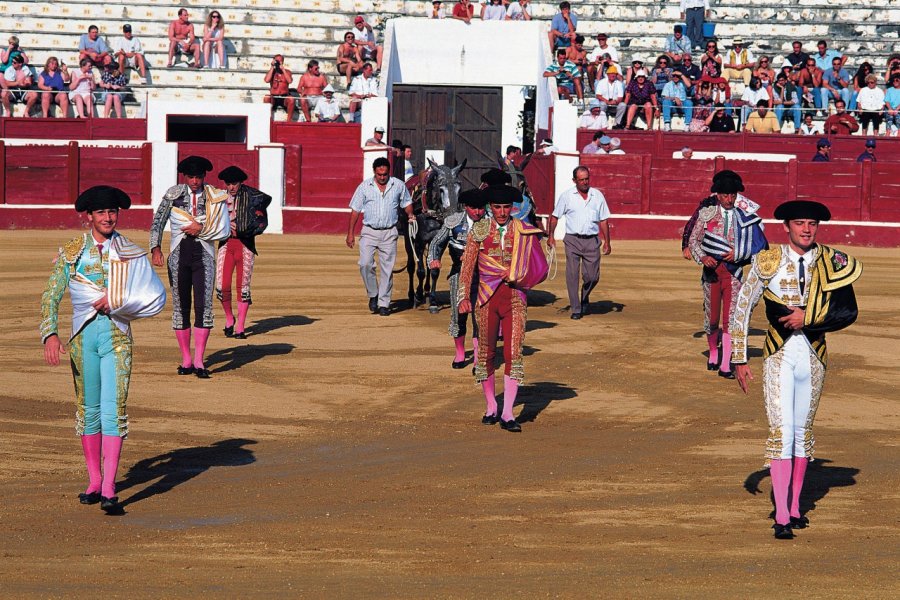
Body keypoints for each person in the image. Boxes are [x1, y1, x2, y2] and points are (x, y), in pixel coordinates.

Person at [731, 200, 862, 539]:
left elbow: (848, 312)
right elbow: (742, 307)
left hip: (814, 356)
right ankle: (781, 515)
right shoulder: (768, 260)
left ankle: (794, 507)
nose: (807, 229)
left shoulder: (832, 262)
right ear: (786, 226)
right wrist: (740, 358)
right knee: (782, 434)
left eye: (812, 223)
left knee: (802, 434)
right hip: (779, 355)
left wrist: (810, 318)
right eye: (800, 222)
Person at [41, 186, 166, 514]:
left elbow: (155, 296)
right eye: (101, 213)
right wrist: (50, 335)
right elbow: (51, 295)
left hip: (117, 337)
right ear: (89, 216)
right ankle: (94, 480)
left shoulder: (130, 251)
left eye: (112, 212)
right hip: (82, 339)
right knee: (88, 408)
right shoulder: (72, 251)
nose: (108, 217)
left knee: (114, 409)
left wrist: (118, 300)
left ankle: (110, 487)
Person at [458, 184, 548, 432]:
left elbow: (538, 266)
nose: (501, 212)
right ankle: (491, 406)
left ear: (513, 207)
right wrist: (463, 297)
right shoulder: (479, 230)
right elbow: (467, 267)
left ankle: (508, 412)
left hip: (515, 298)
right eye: (497, 207)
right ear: (490, 207)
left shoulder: (523, 230)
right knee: (485, 354)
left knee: (513, 353)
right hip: (486, 300)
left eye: (506, 207)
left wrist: (518, 273)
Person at [150, 156, 230, 379]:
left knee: (204, 306)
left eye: (199, 176)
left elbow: (223, 228)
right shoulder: (173, 194)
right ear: (184, 177)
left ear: (204, 176)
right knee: (180, 305)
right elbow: (158, 221)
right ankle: (186, 359)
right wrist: (155, 248)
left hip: (204, 255)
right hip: (178, 255)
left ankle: (199, 360)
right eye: (191, 176)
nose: (195, 180)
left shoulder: (214, 196)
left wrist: (201, 227)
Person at [687, 170, 767, 379]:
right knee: (712, 318)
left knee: (730, 319)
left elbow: (758, 245)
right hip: (711, 273)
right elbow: (694, 241)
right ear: (718, 195)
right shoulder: (707, 214)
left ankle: (725, 365)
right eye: (725, 195)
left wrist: (739, 254)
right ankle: (714, 352)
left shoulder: (746, 216)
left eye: (732, 195)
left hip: (734, 274)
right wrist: (703, 258)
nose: (729, 199)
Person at [427, 188, 487, 368]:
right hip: (458, 275)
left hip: (483, 277)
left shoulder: (490, 224)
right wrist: (434, 259)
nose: (477, 212)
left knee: (481, 317)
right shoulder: (453, 222)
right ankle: (460, 353)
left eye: (481, 208)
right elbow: (436, 243)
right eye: (473, 208)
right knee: (458, 316)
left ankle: (478, 357)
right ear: (466, 207)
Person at [346, 157, 414, 316]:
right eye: (379, 174)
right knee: (365, 264)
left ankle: (384, 303)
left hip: (390, 231)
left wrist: (410, 214)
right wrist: (350, 233)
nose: (382, 177)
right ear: (374, 172)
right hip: (369, 230)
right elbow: (355, 210)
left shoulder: (398, 185)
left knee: (387, 269)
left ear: (388, 172)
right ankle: (373, 294)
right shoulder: (364, 187)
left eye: (384, 174)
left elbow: (406, 203)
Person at [548, 165, 611, 320]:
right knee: (572, 275)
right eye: (581, 179)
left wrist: (607, 241)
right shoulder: (567, 196)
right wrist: (551, 236)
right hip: (572, 240)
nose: (584, 182)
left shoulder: (597, 195)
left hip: (592, 240)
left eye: (587, 179)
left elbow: (603, 220)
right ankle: (576, 308)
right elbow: (555, 216)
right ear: (574, 180)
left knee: (592, 277)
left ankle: (584, 295)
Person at [215, 166, 271, 339]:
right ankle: (229, 318)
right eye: (228, 183)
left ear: (241, 183)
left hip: (245, 245)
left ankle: (240, 326)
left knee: (243, 286)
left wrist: (250, 230)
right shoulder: (219, 198)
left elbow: (263, 213)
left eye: (235, 183)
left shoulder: (251, 197)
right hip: (226, 244)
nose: (231, 187)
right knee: (222, 286)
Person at [264, 54, 294, 121]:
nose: (278, 62)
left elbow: (289, 81)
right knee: (266, 98)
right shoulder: (272, 72)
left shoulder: (287, 72)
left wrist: (283, 69)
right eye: (276, 61)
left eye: (279, 61)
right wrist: (272, 67)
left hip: (284, 97)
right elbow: (267, 80)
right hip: (273, 97)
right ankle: (269, 120)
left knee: (291, 99)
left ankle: (289, 120)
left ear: (282, 62)